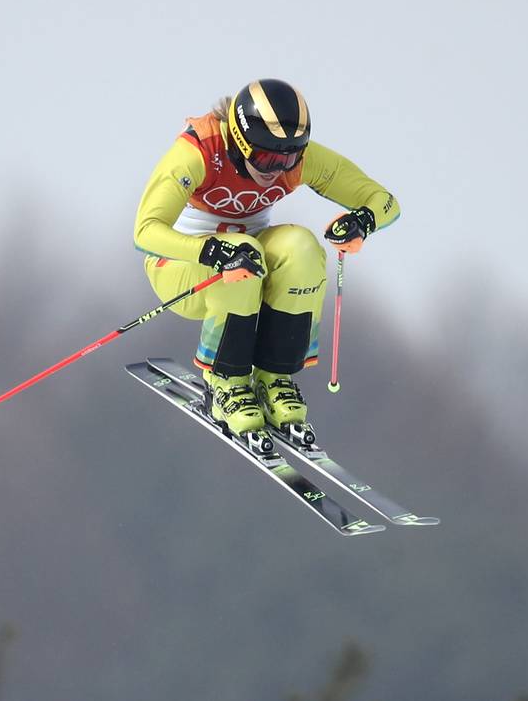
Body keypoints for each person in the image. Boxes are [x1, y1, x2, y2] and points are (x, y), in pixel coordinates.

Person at [133, 78, 399, 437]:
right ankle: (226, 380)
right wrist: (210, 250)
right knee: (245, 254)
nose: (276, 169)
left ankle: (273, 378)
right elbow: (146, 231)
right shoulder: (200, 150)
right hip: (180, 267)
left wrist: (361, 223)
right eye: (267, 158)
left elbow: (384, 201)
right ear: (241, 142)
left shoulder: (296, 159)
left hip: (248, 264)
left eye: (289, 158)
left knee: (301, 248)